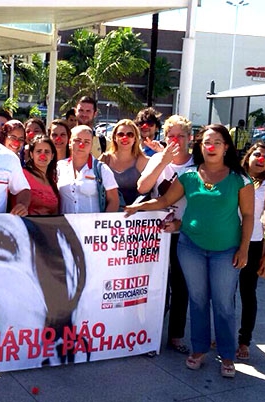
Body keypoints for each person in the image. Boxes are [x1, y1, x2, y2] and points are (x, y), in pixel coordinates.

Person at [126, 124, 253, 378]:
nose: (211, 147)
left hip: (226, 251)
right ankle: (199, 349)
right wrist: (138, 208)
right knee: (197, 301)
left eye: (217, 142)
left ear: (226, 146)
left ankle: (227, 356)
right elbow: (164, 201)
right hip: (190, 247)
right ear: (200, 146)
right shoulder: (190, 175)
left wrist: (244, 249)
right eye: (207, 142)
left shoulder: (240, 179)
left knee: (223, 304)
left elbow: (248, 216)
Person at [137, 115, 195, 355]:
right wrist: (163, 162)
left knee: (181, 286)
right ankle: (150, 336)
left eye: (181, 136)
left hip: (185, 232)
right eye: (172, 136)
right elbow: (142, 187)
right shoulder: (158, 159)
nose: (176, 140)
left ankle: (176, 335)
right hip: (155, 233)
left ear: (189, 138)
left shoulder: (196, 164)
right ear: (165, 137)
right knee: (154, 286)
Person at [237, 142, 265, 360]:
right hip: (227, 241)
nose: (262, 159)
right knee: (224, 294)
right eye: (258, 154)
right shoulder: (234, 179)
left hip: (253, 244)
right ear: (248, 156)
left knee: (247, 294)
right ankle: (222, 335)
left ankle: (244, 340)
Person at [57, 125, 119, 213]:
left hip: (91, 225)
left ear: (91, 145)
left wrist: (101, 223)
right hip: (65, 225)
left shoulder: (102, 169)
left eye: (87, 142)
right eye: (77, 140)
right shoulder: (59, 167)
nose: (81, 145)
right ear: (70, 142)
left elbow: (114, 201)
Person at [99, 119, 149, 205]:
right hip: (108, 214)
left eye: (130, 134)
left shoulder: (143, 161)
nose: (125, 138)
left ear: (135, 138)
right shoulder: (105, 159)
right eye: (120, 134)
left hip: (135, 214)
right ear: (114, 137)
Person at [23, 135, 59, 215]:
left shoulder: (52, 180)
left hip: (48, 226)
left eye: (47, 152)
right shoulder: (23, 175)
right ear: (32, 154)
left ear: (52, 156)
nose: (43, 155)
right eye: (39, 151)